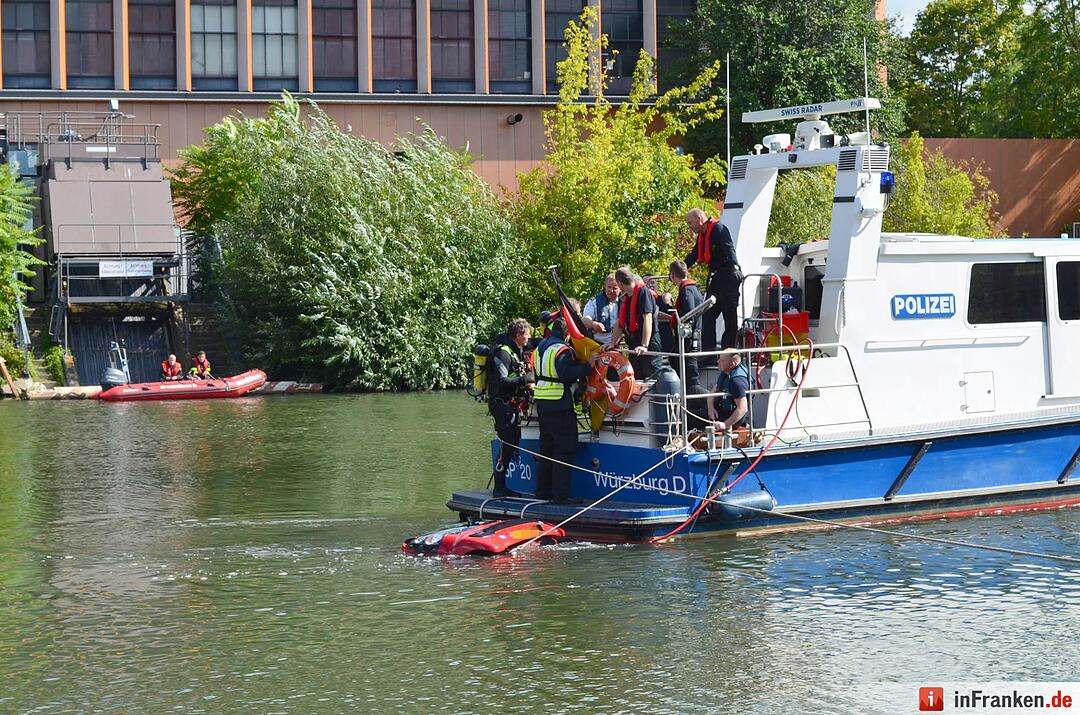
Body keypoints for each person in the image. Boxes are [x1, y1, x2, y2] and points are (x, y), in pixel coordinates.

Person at [534, 312, 594, 503]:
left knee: (547, 449)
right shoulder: (561, 349)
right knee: (564, 449)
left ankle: (542, 492)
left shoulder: (541, 347)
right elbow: (566, 373)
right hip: (559, 404)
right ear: (567, 333)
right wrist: (588, 367)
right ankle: (560, 496)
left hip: (542, 402)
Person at [488, 318, 536, 498]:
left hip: (510, 405)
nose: (529, 338)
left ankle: (502, 486)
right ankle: (499, 488)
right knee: (506, 446)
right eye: (527, 335)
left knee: (511, 444)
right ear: (518, 335)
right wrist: (524, 380)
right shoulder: (504, 353)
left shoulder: (514, 350)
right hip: (502, 406)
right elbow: (502, 381)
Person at [684, 208, 743, 351]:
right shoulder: (702, 235)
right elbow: (694, 255)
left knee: (730, 317)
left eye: (690, 222)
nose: (689, 226)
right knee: (708, 315)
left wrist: (735, 268)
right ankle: (708, 353)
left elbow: (729, 248)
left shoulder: (718, 229)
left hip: (728, 277)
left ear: (699, 219)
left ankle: (728, 352)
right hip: (715, 279)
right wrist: (679, 270)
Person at [606, 267, 664, 380]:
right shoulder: (626, 297)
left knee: (652, 377)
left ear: (620, 284)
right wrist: (612, 343)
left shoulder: (643, 293)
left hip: (649, 344)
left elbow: (648, 318)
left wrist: (644, 345)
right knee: (636, 377)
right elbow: (620, 322)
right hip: (634, 344)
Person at [662, 260, 704, 396]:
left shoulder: (686, 290)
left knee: (690, 379)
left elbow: (689, 313)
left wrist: (669, 306)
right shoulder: (694, 288)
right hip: (694, 338)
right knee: (676, 362)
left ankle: (707, 401)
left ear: (672, 275)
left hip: (688, 341)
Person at [708, 349, 750, 432]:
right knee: (694, 390)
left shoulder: (737, 381)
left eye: (722, 360)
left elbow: (743, 408)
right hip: (719, 406)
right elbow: (713, 391)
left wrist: (725, 424)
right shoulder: (726, 372)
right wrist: (710, 408)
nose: (718, 361)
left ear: (732, 364)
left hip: (728, 416)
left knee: (689, 417)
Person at [582, 274, 619, 343]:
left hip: (617, 344)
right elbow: (584, 320)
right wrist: (594, 324)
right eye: (609, 287)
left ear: (620, 288)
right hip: (598, 343)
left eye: (615, 288)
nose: (611, 290)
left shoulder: (624, 302)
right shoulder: (594, 302)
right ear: (605, 286)